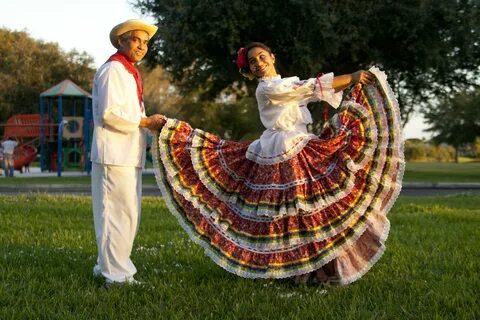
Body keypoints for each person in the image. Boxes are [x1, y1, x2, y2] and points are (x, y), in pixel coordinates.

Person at [152, 42, 404, 285]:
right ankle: (300, 270)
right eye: (252, 62)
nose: (259, 63)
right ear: (249, 70)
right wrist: (350, 77)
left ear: (272, 57)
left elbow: (310, 90)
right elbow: (308, 89)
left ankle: (316, 269)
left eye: (262, 57)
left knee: (311, 210)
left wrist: (352, 81)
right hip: (280, 148)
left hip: (299, 143)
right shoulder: (266, 89)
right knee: (290, 214)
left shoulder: (286, 82)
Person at [90, 19, 165, 286]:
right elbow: (110, 114)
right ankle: (116, 276)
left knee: (126, 213)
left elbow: (129, 113)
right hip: (113, 154)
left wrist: (146, 133)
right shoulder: (113, 70)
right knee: (116, 214)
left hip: (126, 154)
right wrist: (146, 122)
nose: (142, 46)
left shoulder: (127, 72)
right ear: (121, 41)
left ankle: (106, 266)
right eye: (136, 40)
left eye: (145, 42)